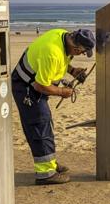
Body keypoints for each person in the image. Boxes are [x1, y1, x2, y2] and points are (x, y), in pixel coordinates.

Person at [11, 28, 95, 185]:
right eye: (82, 53)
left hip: (31, 85)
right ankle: (46, 174)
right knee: (40, 124)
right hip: (27, 89)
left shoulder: (61, 35)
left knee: (44, 123)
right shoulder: (52, 53)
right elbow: (40, 86)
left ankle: (50, 163)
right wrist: (62, 91)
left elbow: (63, 59)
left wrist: (72, 70)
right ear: (76, 48)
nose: (81, 55)